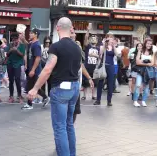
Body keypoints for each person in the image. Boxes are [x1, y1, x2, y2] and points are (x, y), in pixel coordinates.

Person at [27, 17, 81, 156]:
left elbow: (47, 69)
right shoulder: (77, 47)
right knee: (69, 124)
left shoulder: (56, 46)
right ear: (70, 29)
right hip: (74, 88)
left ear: (57, 28)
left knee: (60, 127)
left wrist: (35, 88)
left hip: (61, 89)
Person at [21, 28, 49, 110]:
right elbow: (27, 45)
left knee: (31, 87)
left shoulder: (37, 45)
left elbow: (38, 58)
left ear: (36, 34)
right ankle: (45, 98)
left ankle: (30, 104)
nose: (29, 34)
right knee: (33, 87)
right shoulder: (32, 43)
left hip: (35, 71)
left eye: (31, 33)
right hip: (31, 69)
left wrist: (33, 70)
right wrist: (23, 39)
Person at [94, 35, 119, 106]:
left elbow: (117, 54)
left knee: (110, 84)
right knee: (100, 83)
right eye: (109, 39)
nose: (110, 41)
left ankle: (109, 101)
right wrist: (104, 44)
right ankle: (98, 100)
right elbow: (100, 54)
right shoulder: (103, 47)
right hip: (104, 65)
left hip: (111, 66)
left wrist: (113, 46)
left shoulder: (113, 48)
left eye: (111, 40)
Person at [133, 39, 155, 107]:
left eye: (150, 44)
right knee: (138, 85)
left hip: (148, 71)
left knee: (146, 86)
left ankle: (143, 101)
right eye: (148, 43)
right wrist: (146, 63)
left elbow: (152, 63)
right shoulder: (140, 51)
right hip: (141, 71)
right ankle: (135, 101)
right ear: (145, 44)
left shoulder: (152, 52)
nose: (149, 45)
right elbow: (137, 62)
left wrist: (142, 62)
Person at [5, 34, 25, 103]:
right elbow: (7, 54)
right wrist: (11, 50)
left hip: (17, 64)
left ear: (18, 39)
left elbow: (22, 55)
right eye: (13, 39)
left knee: (17, 79)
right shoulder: (9, 45)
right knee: (11, 80)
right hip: (10, 64)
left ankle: (19, 96)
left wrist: (16, 50)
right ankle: (11, 96)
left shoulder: (22, 45)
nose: (14, 41)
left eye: (16, 39)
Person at [83, 33, 99, 100]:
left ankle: (94, 95)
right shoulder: (88, 47)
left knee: (95, 82)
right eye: (91, 39)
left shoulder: (98, 49)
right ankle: (84, 95)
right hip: (87, 66)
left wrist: (96, 55)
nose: (93, 39)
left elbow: (101, 57)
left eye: (94, 39)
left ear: (97, 41)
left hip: (95, 67)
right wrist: (88, 30)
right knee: (85, 82)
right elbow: (86, 39)